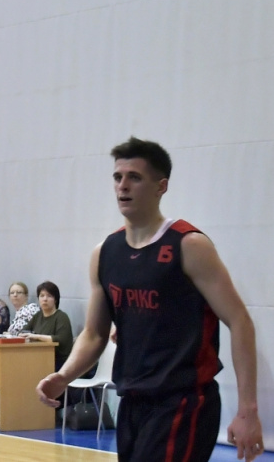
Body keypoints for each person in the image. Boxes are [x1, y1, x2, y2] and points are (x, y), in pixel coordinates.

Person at [37, 137, 264, 462]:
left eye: (135, 177)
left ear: (161, 186)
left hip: (183, 403)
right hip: (132, 403)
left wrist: (248, 410)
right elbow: (95, 333)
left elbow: (240, 321)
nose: (123, 186)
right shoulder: (105, 253)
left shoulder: (189, 245)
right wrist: (64, 376)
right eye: (118, 177)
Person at [22, 281, 73, 370]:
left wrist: (37, 336)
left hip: (58, 362)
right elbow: (24, 331)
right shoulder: (38, 315)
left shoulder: (61, 317)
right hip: (39, 358)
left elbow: (61, 340)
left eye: (49, 296)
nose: (45, 299)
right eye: (42, 296)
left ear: (55, 299)